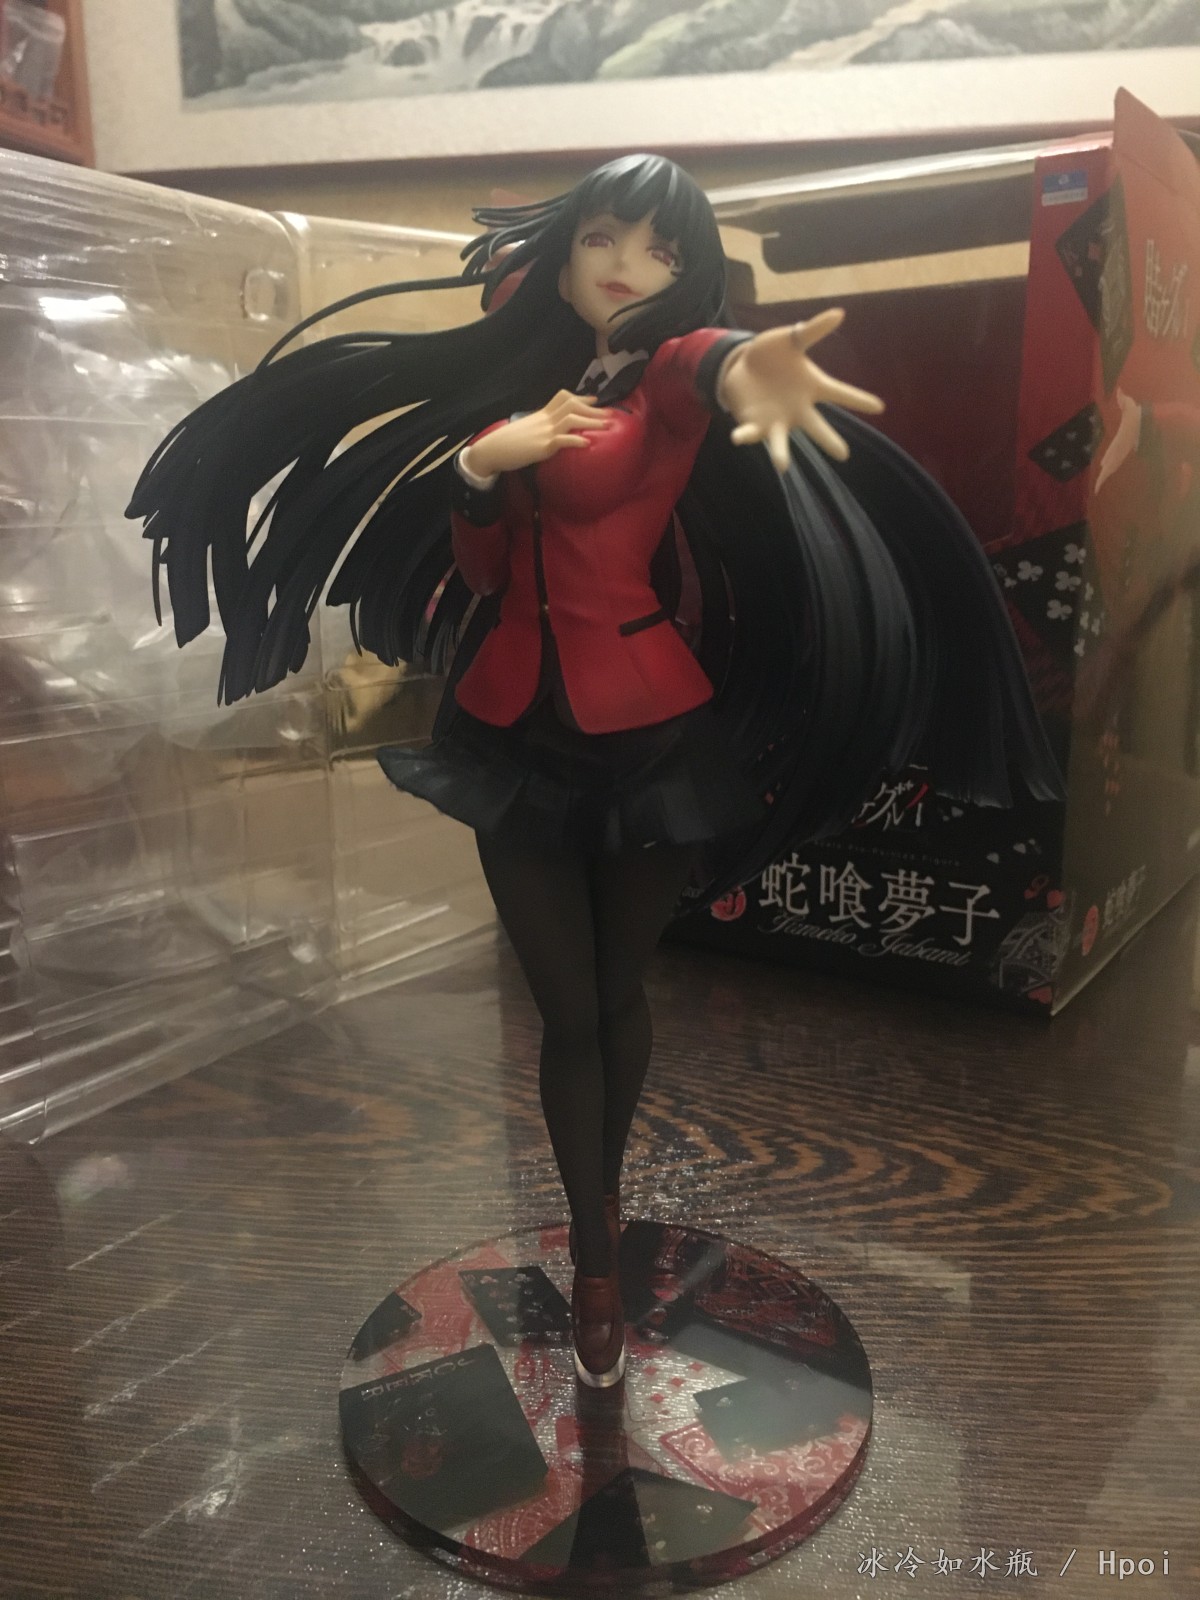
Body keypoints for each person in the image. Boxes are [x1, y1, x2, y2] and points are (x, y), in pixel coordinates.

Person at [127, 154, 1065, 1388]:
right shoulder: (524, 389)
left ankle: (603, 1229)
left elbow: (708, 367)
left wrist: (752, 365)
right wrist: (481, 467)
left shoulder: (663, 377)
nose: (628, 266)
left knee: (618, 996)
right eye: (606, 238)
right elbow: (481, 573)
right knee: (568, 1009)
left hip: (645, 734)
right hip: (505, 727)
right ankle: (593, 1242)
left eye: (662, 250)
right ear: (563, 251)